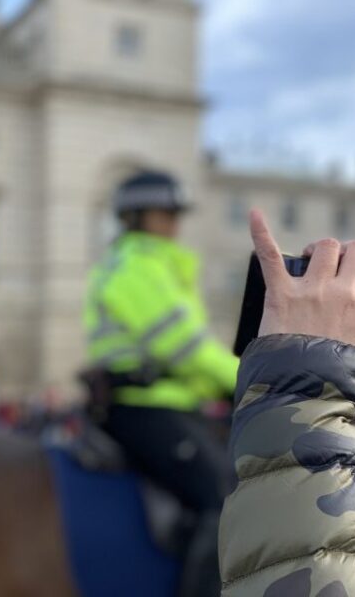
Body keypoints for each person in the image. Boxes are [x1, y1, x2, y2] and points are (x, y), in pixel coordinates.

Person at [220, 210, 355, 595]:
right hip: (152, 400)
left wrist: (262, 371)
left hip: (179, 395)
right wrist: (292, 369)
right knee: (207, 496)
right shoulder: (143, 267)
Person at [83, 171, 240, 597]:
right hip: (145, 407)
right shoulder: (137, 268)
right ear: (134, 217)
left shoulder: (155, 265)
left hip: (171, 403)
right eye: (164, 213)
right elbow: (188, 350)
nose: (174, 222)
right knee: (227, 502)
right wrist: (250, 380)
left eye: (176, 213)